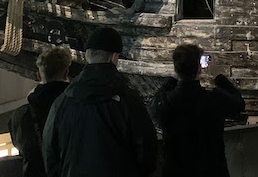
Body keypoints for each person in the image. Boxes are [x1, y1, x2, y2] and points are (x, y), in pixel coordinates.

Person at [42, 27, 157, 177]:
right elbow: (147, 154)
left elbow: (50, 153)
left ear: (88, 56)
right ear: (114, 57)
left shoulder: (62, 101)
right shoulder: (128, 100)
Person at [150, 44, 244, 177]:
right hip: (212, 170)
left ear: (176, 68)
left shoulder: (166, 101)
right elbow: (239, 104)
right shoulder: (213, 98)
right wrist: (218, 77)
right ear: (200, 69)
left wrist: (173, 78)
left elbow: (152, 108)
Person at [9, 47, 72, 177]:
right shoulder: (77, 108)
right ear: (66, 73)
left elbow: (21, 145)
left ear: (38, 76)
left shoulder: (20, 115)